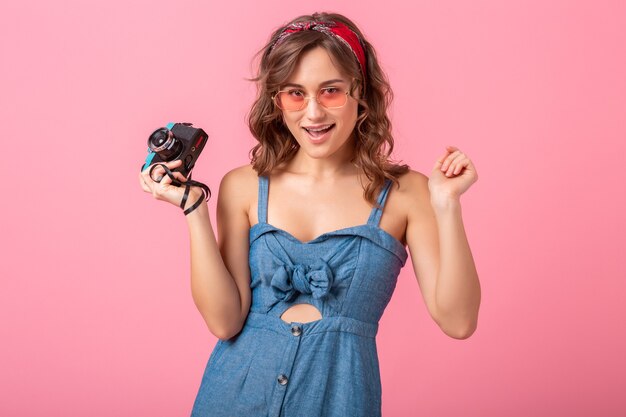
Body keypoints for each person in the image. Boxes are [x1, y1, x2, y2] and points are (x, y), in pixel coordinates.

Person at [139, 12, 481, 417]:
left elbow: (458, 322)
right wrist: (194, 209)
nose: (313, 113)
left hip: (339, 401)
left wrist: (447, 205)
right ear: (277, 101)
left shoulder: (409, 194)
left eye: (331, 91)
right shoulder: (243, 186)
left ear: (361, 94)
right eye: (295, 94)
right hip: (232, 397)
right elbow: (225, 322)